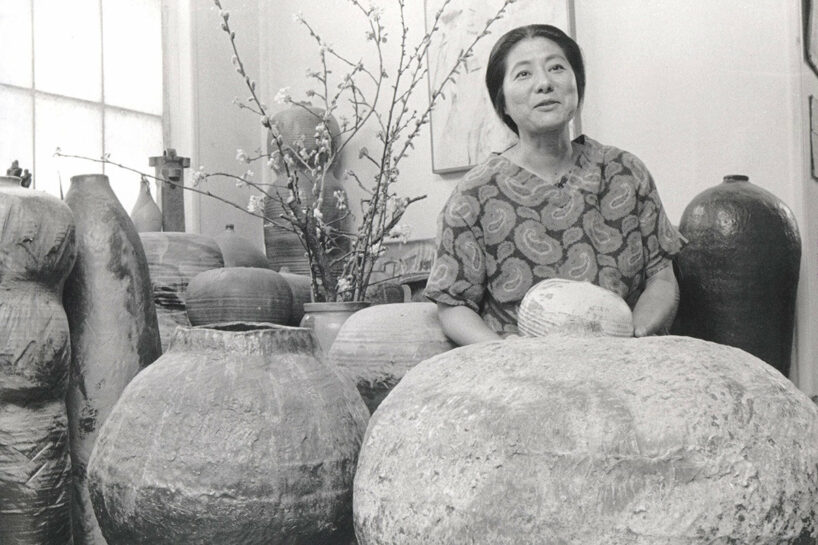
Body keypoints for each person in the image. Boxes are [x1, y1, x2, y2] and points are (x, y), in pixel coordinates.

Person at [424, 24, 684, 346]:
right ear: (502, 102)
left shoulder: (625, 172)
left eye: (557, 68)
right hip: (520, 373)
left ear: (577, 86)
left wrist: (634, 339)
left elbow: (661, 277)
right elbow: (453, 306)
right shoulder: (473, 195)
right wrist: (503, 352)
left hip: (625, 359)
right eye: (523, 74)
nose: (544, 83)